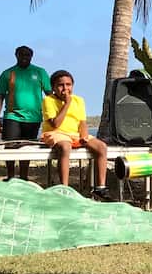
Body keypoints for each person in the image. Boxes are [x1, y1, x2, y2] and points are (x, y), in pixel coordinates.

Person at [40, 70, 110, 198]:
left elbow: (82, 122)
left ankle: (100, 187)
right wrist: (66, 104)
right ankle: (65, 188)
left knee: (101, 147)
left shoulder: (79, 100)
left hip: (74, 134)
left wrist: (83, 137)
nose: (65, 88)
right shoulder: (48, 100)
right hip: (56, 133)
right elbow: (55, 123)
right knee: (65, 147)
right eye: (61, 85)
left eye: (68, 85)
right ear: (54, 87)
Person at [0, 45, 52, 181]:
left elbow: (49, 94)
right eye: (22, 55)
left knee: (27, 148)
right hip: (12, 116)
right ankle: (11, 176)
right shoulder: (8, 73)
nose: (25, 58)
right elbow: (0, 97)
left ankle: (24, 177)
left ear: (32, 56)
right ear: (16, 56)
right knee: (11, 147)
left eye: (27, 55)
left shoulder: (40, 72)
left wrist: (52, 116)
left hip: (33, 118)